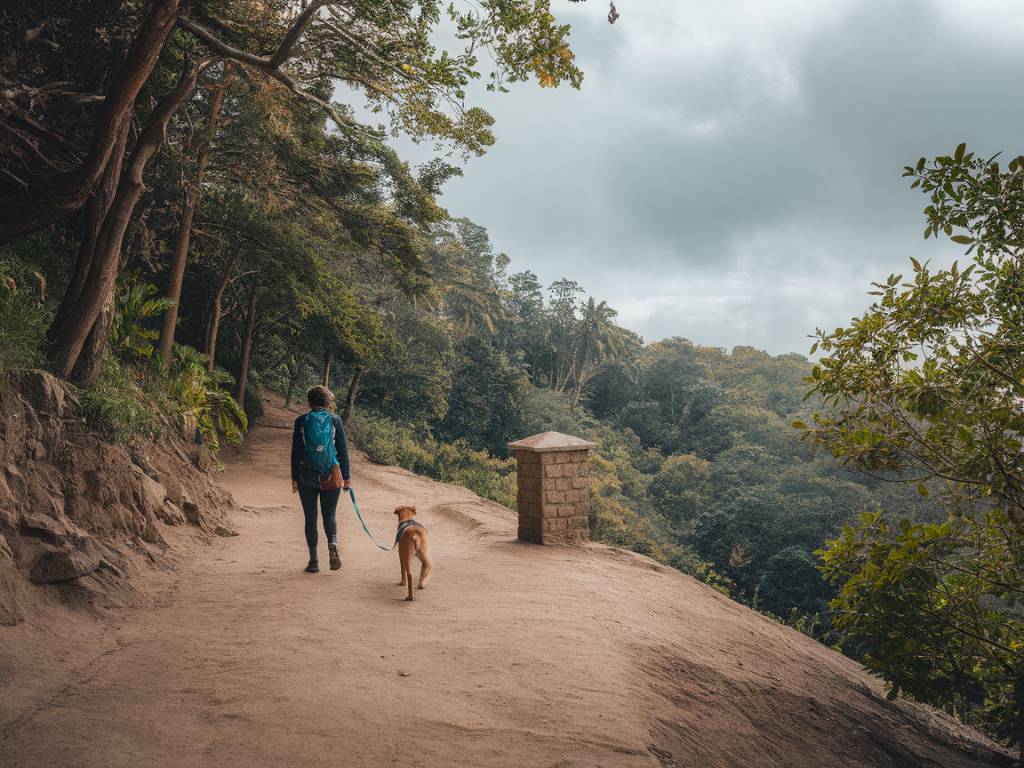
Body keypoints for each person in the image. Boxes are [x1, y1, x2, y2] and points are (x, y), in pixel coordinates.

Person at [291, 385, 351, 573]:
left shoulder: (301, 421)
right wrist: (346, 477)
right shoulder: (335, 420)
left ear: (310, 401)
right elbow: (342, 449)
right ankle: (332, 544)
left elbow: (296, 451)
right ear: (328, 402)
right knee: (330, 514)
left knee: (310, 517)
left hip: (306, 475)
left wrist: (294, 477)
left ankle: (314, 561)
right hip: (331, 473)